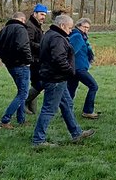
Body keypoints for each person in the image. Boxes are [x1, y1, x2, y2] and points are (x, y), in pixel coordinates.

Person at [31, 14, 95, 148]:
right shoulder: (57, 38)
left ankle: (76, 133)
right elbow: (59, 59)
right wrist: (70, 71)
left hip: (55, 78)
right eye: (70, 28)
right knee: (49, 109)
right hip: (55, 79)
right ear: (62, 25)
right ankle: (38, 140)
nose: (71, 31)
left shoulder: (50, 34)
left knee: (67, 105)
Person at [0, 11, 32, 129]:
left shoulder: (4, 30)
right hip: (21, 64)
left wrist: (5, 59)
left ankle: (21, 119)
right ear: (22, 19)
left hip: (10, 65)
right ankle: (5, 120)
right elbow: (23, 46)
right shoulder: (21, 29)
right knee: (23, 93)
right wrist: (29, 60)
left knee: (21, 92)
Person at [68, 18, 100, 119]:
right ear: (78, 26)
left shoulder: (80, 36)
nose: (86, 29)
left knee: (71, 90)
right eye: (84, 27)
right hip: (78, 68)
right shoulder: (78, 36)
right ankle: (87, 111)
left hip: (75, 68)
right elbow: (71, 51)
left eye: (88, 28)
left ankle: (66, 112)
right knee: (93, 86)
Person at [23, 4, 49, 114]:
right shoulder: (30, 26)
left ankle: (32, 110)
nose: (43, 17)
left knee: (36, 84)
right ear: (35, 14)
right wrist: (43, 46)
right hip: (34, 60)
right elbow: (28, 42)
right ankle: (23, 103)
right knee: (39, 84)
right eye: (42, 14)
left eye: (45, 15)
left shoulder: (36, 25)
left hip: (37, 59)